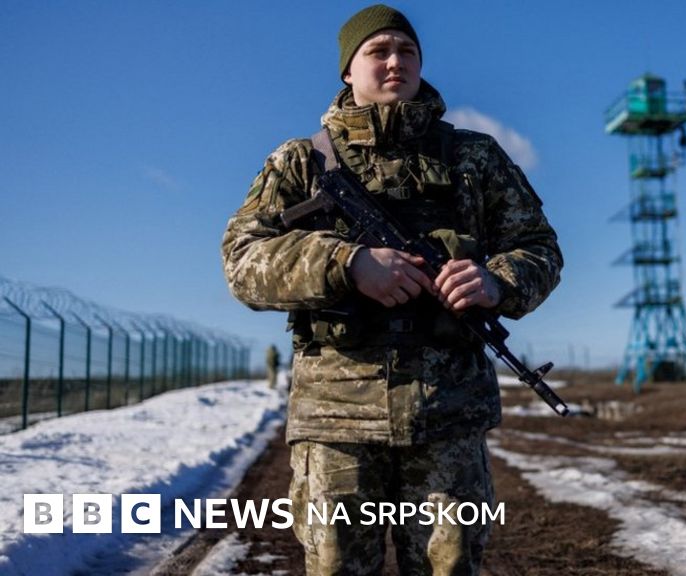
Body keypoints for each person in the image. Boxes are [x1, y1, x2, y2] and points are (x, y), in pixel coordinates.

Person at [221, 5, 562, 575]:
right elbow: (242, 260)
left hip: (447, 416)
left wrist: (495, 280)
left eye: (407, 51)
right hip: (336, 421)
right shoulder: (301, 162)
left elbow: (540, 248)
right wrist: (346, 262)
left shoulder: (474, 157)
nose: (395, 62)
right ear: (348, 70)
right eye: (377, 51)